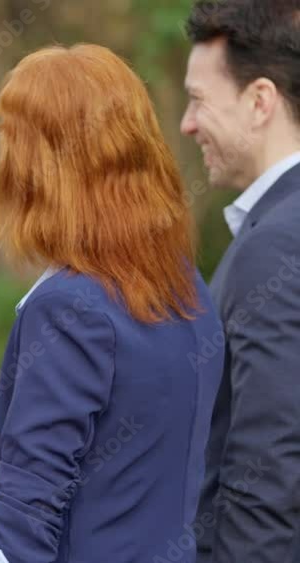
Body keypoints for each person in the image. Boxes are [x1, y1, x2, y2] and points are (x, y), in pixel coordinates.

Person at [0, 44, 224, 563]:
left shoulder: (70, 309)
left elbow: (25, 522)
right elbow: (116, 450)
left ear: (38, 168)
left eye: (11, 140)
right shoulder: (187, 288)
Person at [180, 2, 300, 561]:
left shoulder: (275, 242)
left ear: (259, 102)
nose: (187, 122)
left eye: (199, 99)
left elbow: (268, 469)